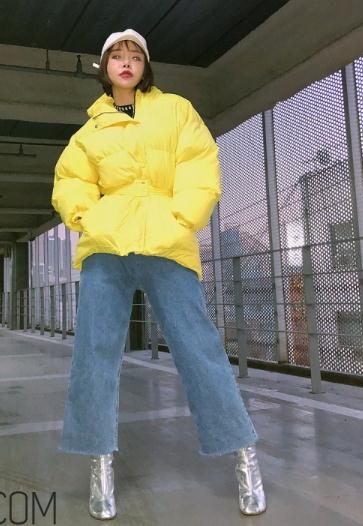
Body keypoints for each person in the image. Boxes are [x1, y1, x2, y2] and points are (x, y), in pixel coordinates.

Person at [52, 28, 266, 521]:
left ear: (145, 66)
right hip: (107, 245)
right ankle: (99, 464)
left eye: (135, 56)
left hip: (166, 240)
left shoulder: (176, 110)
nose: (126, 63)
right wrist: (88, 217)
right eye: (116, 56)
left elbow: (200, 164)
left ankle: (243, 456)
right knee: (94, 354)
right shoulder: (89, 131)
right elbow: (70, 180)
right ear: (105, 67)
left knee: (198, 348)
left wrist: (181, 219)